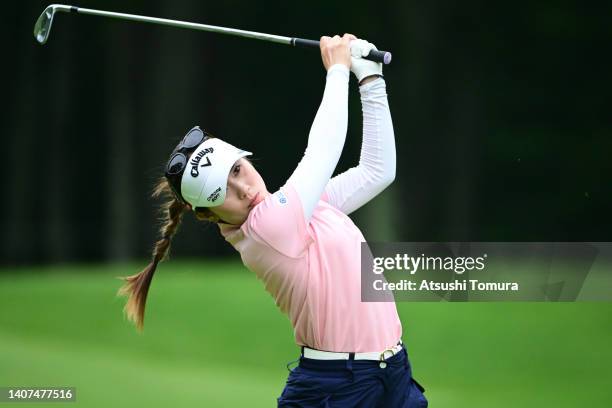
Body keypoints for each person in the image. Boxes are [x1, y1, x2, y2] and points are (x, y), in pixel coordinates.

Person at [118, 33, 428, 407]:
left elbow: (377, 171)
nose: (243, 188)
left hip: (393, 374)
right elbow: (322, 152)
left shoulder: (300, 207)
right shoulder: (265, 229)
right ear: (210, 214)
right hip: (338, 389)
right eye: (223, 192)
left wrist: (370, 81)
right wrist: (338, 70)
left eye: (237, 169)